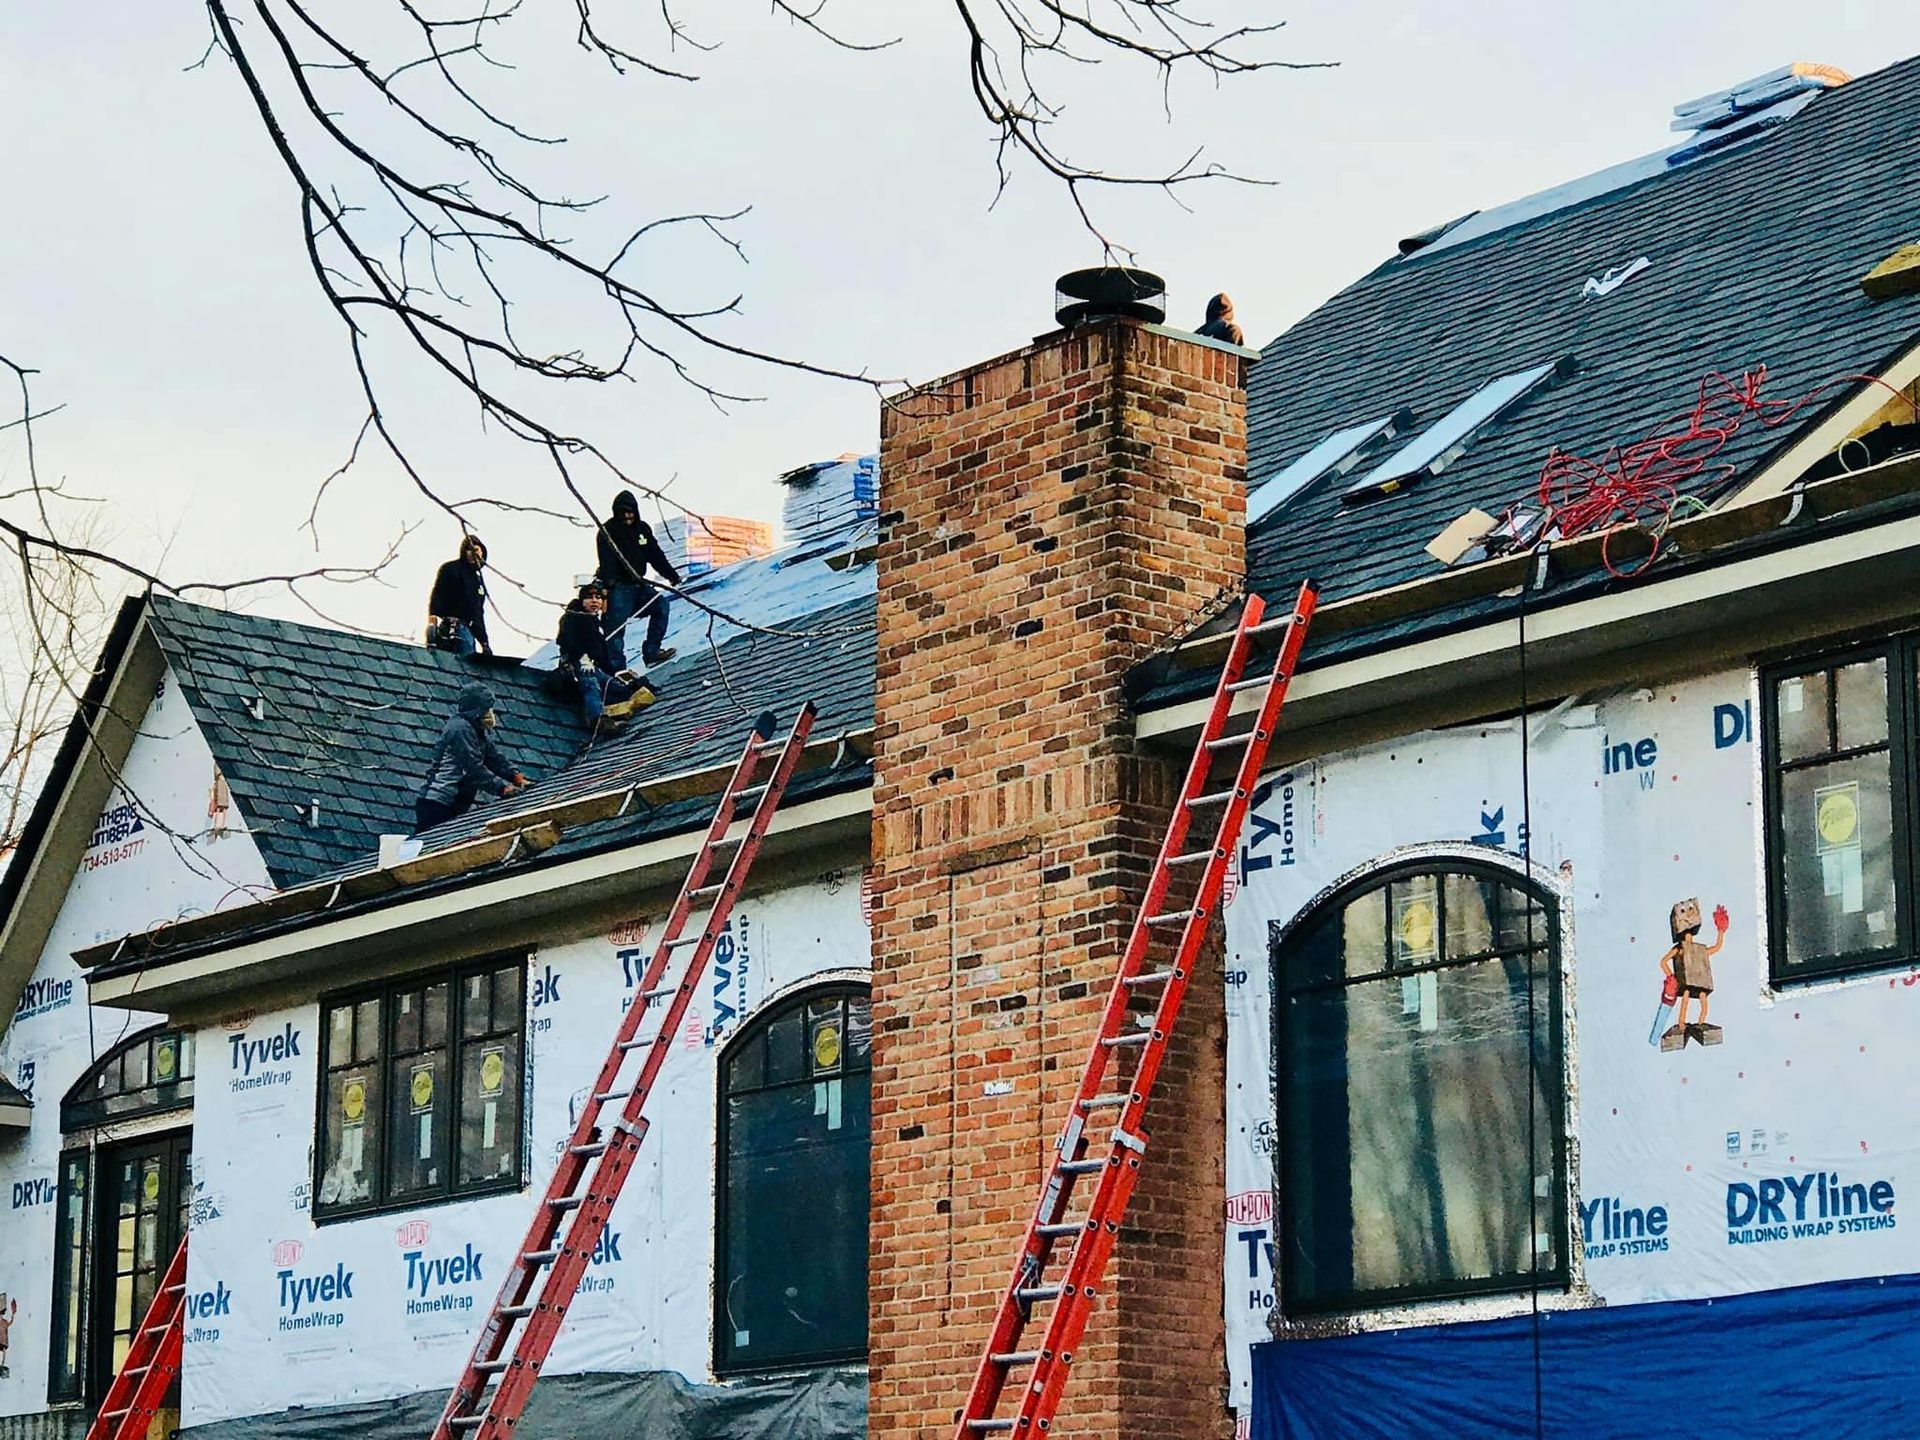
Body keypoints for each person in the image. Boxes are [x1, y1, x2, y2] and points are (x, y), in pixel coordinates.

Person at [414, 682, 526, 832]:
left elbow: (494, 757)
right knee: (428, 845)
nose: (491, 714)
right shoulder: (460, 729)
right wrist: (502, 788)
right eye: (487, 709)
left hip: (452, 803)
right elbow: (473, 768)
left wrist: (515, 776)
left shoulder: (475, 731)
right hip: (439, 802)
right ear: (477, 711)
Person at [595, 491, 681, 671]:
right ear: (616, 512)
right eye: (623, 512)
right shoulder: (607, 531)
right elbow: (606, 561)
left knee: (660, 606)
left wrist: (671, 576)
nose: (627, 516)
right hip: (618, 587)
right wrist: (608, 586)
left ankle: (652, 652)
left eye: (630, 511)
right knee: (615, 630)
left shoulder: (643, 529)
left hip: (639, 585)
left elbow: (656, 555)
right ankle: (618, 671)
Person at [557, 582, 654, 730]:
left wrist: (614, 673)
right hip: (577, 666)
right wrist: (581, 657)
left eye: (598, 598)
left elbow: (601, 652)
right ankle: (597, 720)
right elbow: (565, 641)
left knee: (618, 688)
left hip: (595, 667)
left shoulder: (593, 620)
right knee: (591, 684)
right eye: (590, 598)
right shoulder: (571, 617)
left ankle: (615, 710)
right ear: (582, 600)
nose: (595, 601)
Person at [426, 534, 493, 656]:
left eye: (476, 550)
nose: (473, 553)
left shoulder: (478, 580)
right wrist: (432, 623)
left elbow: (477, 613)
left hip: (467, 630)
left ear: (482, 552)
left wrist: (484, 642)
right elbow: (438, 595)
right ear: (464, 552)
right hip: (449, 628)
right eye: (469, 550)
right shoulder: (451, 569)